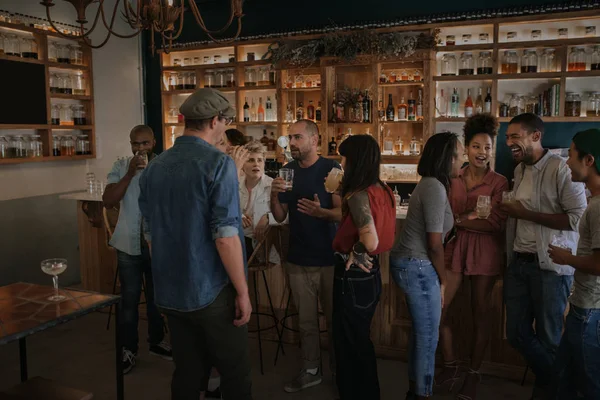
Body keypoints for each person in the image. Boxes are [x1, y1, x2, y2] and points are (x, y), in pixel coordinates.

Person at [139, 88, 253, 400]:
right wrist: (242, 292)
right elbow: (226, 236)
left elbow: (149, 233)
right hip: (211, 289)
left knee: (187, 371)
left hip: (169, 289)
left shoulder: (154, 167)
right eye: (225, 121)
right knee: (234, 371)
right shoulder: (218, 164)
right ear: (215, 121)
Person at [499, 113, 586, 399]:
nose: (508, 142)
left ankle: (551, 389)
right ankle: (559, 384)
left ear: (536, 136)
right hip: (519, 264)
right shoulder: (520, 170)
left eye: (515, 136)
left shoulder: (560, 169)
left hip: (549, 267)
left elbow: (578, 218)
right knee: (515, 333)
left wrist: (525, 214)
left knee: (550, 339)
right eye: (508, 136)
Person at [436, 115, 508, 399]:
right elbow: (444, 217)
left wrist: (458, 220)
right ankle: (451, 364)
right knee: (438, 310)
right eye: (476, 146)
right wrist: (466, 218)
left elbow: (494, 224)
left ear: (493, 149)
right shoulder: (453, 177)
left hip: (485, 252)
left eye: (488, 147)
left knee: (480, 315)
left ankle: (473, 374)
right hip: (453, 250)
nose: (482, 152)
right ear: (465, 149)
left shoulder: (499, 182)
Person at [270, 119, 342, 393]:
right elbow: (279, 216)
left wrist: (320, 213)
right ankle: (311, 370)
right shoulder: (287, 171)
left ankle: (339, 370)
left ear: (314, 140)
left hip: (328, 258)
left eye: (298, 137)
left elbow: (341, 212)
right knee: (307, 322)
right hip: (298, 257)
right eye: (290, 138)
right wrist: (274, 196)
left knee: (335, 321)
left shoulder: (331, 168)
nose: (293, 143)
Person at [390, 132, 463, 400]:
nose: (462, 160)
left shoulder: (432, 184)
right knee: (428, 337)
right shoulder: (434, 186)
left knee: (423, 334)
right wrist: (443, 279)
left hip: (411, 263)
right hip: (417, 265)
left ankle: (416, 390)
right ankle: (422, 394)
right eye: (460, 154)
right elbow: (434, 243)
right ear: (448, 158)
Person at [331, 135, 396, 400]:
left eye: (343, 157)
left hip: (354, 273)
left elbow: (369, 239)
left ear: (354, 160)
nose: (341, 163)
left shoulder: (359, 194)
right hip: (372, 273)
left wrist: (356, 251)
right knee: (359, 337)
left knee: (351, 342)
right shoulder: (382, 188)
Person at [102, 124, 171, 374]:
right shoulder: (121, 166)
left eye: (144, 143)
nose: (139, 148)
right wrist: (130, 174)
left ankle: (156, 342)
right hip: (127, 245)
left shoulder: (164, 166)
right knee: (129, 301)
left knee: (157, 298)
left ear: (153, 143)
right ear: (130, 144)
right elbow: (108, 200)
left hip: (157, 244)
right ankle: (128, 349)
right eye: (135, 144)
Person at [548, 128, 600, 399]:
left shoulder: (598, 206)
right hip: (582, 305)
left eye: (571, 155)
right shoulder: (593, 201)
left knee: (591, 383)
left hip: (590, 311)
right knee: (563, 377)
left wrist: (565, 258)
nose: (566, 162)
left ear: (589, 161)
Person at [239, 139, 282, 262]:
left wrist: (268, 217)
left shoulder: (273, 185)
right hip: (238, 240)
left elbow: (287, 215)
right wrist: (238, 216)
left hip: (261, 246)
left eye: (259, 160)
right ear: (242, 165)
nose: (256, 164)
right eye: (251, 160)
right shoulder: (234, 185)